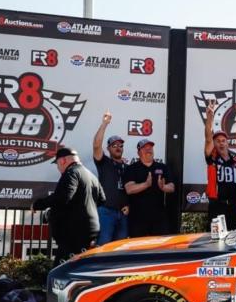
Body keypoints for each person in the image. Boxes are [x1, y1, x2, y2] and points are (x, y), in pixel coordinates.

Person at [32, 148, 105, 266]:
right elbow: (102, 199)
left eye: (57, 164)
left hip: (74, 233)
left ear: (62, 161)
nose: (58, 168)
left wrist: (38, 204)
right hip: (91, 231)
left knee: (61, 272)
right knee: (81, 268)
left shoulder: (71, 173)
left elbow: (63, 197)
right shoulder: (91, 175)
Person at [123, 139, 175, 237]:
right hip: (138, 218)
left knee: (160, 248)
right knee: (138, 249)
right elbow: (129, 189)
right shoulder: (131, 168)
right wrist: (146, 184)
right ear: (139, 152)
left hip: (158, 217)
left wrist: (163, 187)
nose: (148, 150)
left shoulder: (162, 167)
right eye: (145, 148)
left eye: (150, 148)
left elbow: (172, 187)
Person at [203, 100, 236, 230]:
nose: (220, 143)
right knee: (214, 240)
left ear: (227, 143)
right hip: (217, 206)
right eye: (217, 141)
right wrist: (210, 117)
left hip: (235, 206)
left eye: (223, 141)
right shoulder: (212, 157)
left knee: (235, 238)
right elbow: (208, 137)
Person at [92, 110, 129, 245]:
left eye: (120, 145)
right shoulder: (104, 162)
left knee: (120, 251)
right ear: (108, 148)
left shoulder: (127, 167)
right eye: (114, 145)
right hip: (106, 212)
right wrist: (104, 124)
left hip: (123, 214)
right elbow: (96, 146)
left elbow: (130, 190)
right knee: (103, 247)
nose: (118, 147)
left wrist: (129, 205)